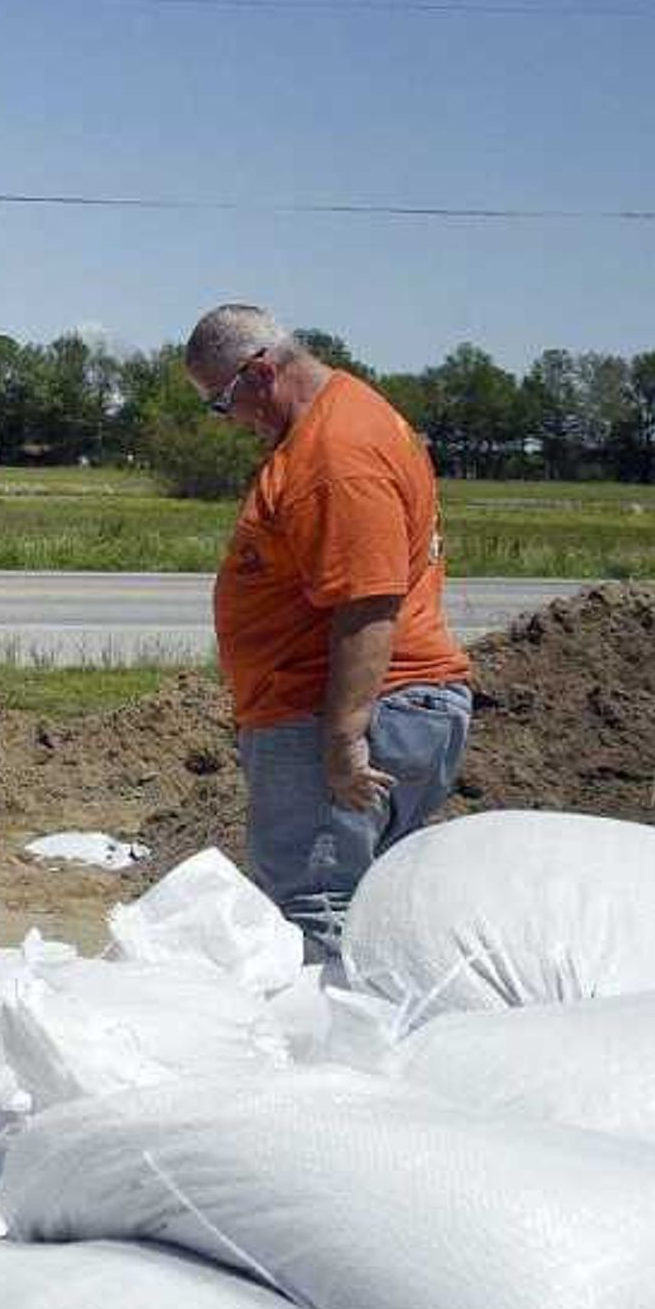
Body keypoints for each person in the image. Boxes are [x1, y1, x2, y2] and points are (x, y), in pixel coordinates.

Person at [187, 304, 475, 949]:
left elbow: (369, 603)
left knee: (314, 919)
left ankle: (329, 1046)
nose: (227, 420)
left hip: (337, 715)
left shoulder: (336, 455)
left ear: (260, 373)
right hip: (367, 708)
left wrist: (344, 742)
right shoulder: (347, 416)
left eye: (220, 401)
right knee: (362, 915)